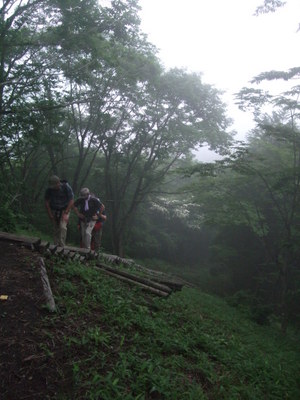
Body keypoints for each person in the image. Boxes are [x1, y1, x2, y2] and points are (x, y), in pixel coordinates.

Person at [45, 175, 74, 247]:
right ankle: (55, 245)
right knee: (56, 228)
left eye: (55, 185)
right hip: (54, 209)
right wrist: (50, 214)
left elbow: (71, 200)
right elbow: (47, 202)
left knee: (63, 227)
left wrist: (66, 212)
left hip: (65, 209)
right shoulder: (49, 190)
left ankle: (62, 245)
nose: (53, 187)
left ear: (58, 183)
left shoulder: (66, 187)